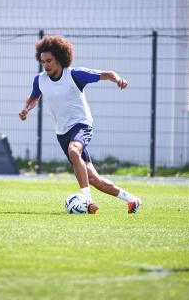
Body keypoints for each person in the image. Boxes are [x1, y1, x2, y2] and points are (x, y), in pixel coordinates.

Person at [18, 35, 142, 214]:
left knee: (74, 151)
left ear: (60, 58)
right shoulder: (40, 80)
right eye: (43, 61)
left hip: (81, 125)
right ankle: (132, 200)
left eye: (49, 61)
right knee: (93, 178)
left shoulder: (75, 75)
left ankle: (88, 201)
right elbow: (34, 97)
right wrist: (26, 109)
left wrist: (118, 80)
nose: (46, 65)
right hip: (62, 133)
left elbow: (106, 74)